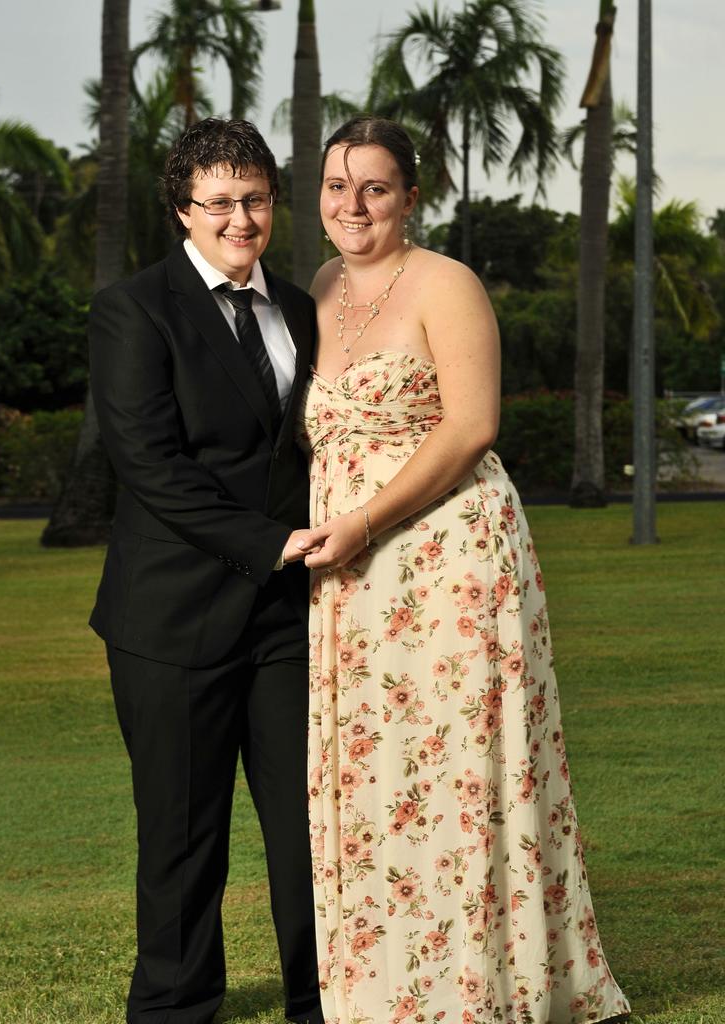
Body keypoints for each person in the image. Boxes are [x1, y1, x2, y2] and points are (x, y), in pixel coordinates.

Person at [298, 116, 631, 1024]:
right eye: (337, 185)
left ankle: (486, 981)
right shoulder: (319, 287)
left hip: (447, 559)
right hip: (353, 574)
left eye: (374, 186)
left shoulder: (449, 283)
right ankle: (389, 985)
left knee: (460, 766)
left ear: (411, 195)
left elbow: (472, 426)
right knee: (381, 774)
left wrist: (364, 519)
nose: (353, 203)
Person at [88, 118, 324, 1024]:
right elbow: (149, 466)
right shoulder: (133, 309)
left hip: (289, 618)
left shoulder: (301, 309)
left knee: (308, 831)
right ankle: (176, 1006)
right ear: (183, 209)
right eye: (220, 201)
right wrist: (273, 543)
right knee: (185, 837)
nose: (240, 217)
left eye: (255, 198)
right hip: (172, 620)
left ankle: (324, 997)